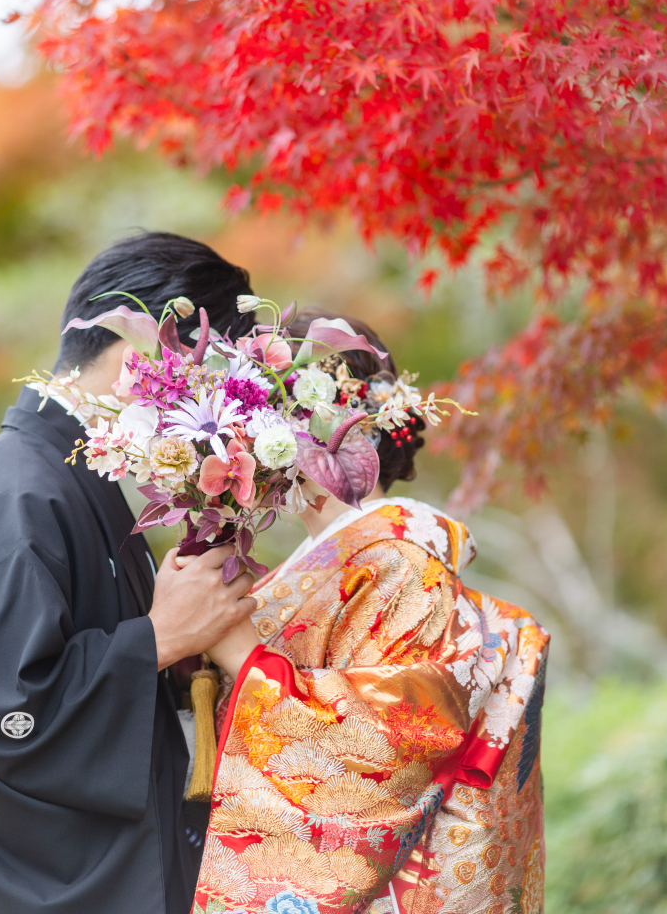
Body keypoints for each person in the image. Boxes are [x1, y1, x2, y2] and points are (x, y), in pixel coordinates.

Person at [0, 231, 260, 914]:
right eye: (208, 379)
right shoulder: (18, 494)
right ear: (144, 355)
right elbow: (1, 715)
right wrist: (155, 641)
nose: (210, 415)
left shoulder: (65, 480)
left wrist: (185, 648)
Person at [193, 310, 550, 914]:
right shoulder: (343, 558)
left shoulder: (400, 562)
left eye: (255, 413)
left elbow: (391, 749)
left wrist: (241, 660)